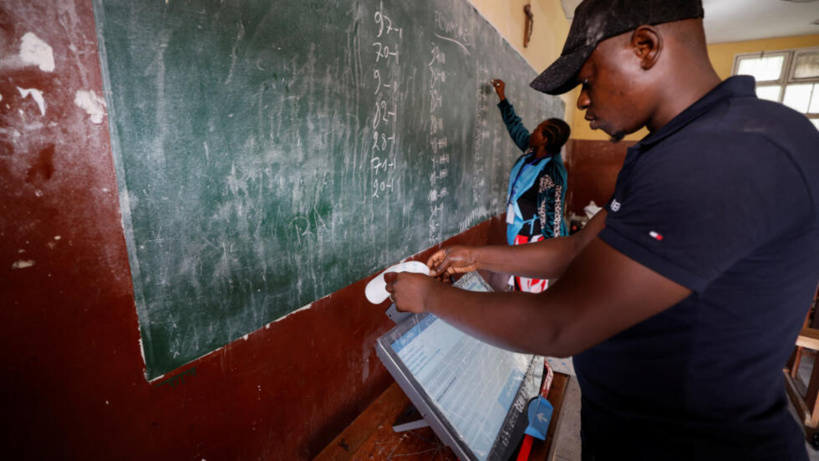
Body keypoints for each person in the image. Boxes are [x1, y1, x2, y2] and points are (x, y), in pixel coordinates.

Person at [385, 0, 819, 459]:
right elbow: (577, 249)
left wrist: (429, 297)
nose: (583, 101)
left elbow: (559, 325)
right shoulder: (671, 150)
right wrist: (479, 256)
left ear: (645, 46)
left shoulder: (725, 153)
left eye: (588, 80)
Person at [491, 78, 570, 293]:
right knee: (518, 284)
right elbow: (516, 128)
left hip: (533, 239)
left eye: (537, 129)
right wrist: (502, 98)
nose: (532, 131)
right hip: (518, 230)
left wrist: (547, 254)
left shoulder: (552, 171)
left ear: (545, 139)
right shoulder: (531, 153)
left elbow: (553, 218)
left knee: (529, 289)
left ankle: (526, 323)